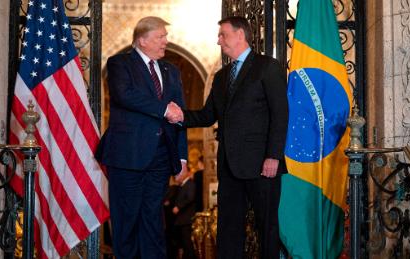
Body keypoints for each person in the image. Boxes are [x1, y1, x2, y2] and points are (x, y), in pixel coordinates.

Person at [169, 16, 288, 259]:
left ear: (240, 35)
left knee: (267, 226)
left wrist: (273, 156)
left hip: (262, 165)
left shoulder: (268, 66)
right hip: (229, 166)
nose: (218, 40)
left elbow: (280, 114)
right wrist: (180, 115)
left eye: (223, 34)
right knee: (228, 229)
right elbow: (206, 115)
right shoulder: (222, 76)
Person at [95, 16, 188, 259]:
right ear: (142, 40)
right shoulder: (120, 64)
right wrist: (163, 109)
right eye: (160, 37)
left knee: (154, 222)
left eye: (165, 37)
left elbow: (179, 116)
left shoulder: (171, 70)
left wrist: (182, 158)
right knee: (127, 221)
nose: (165, 42)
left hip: (160, 158)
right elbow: (125, 95)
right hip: (127, 156)